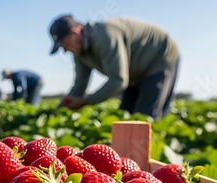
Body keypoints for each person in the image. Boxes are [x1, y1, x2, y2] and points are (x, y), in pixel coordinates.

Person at [49, 15, 179, 120]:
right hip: (133, 74)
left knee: (145, 117)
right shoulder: (79, 52)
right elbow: (79, 85)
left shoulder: (104, 35)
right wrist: (60, 108)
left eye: (63, 44)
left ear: (75, 33)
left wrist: (86, 101)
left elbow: (118, 81)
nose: (65, 51)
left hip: (159, 57)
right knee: (125, 116)